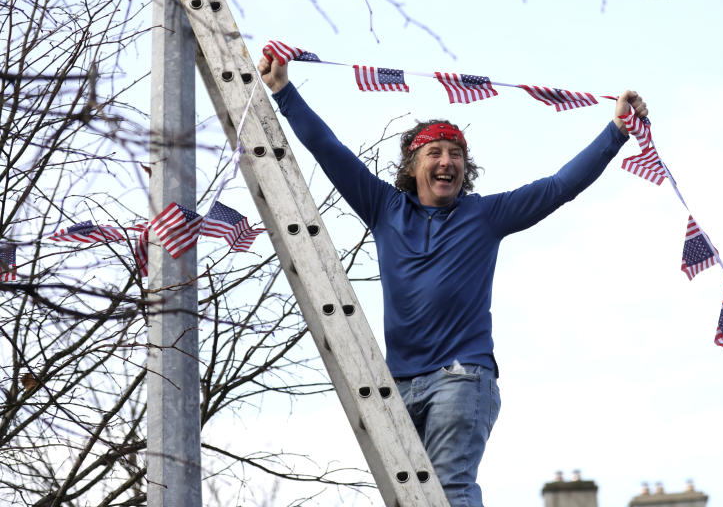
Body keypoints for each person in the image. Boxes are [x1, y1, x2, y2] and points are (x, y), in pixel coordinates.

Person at [258, 53, 647, 507]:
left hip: (461, 377)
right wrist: (284, 92)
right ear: (412, 165)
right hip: (399, 384)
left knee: (450, 489)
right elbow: (331, 151)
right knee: (411, 499)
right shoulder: (385, 208)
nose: (447, 162)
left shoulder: (484, 215)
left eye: (456, 154)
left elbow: (559, 186)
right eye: (435, 153)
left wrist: (616, 131)